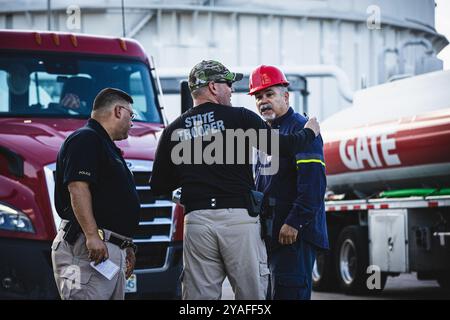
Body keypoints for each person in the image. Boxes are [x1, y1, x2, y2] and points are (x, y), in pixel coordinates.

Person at [150, 60, 321, 300]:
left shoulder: (173, 130)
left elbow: (158, 185)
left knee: (199, 300)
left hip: (196, 222)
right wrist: (310, 131)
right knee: (251, 296)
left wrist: (193, 175)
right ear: (212, 87)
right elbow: (282, 146)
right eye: (228, 84)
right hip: (238, 222)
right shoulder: (240, 117)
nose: (231, 90)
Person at [51, 87, 139, 300]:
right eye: (131, 114)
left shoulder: (104, 145)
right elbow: (77, 187)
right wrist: (92, 235)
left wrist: (125, 246)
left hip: (106, 250)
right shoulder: (86, 139)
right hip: (87, 249)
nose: (132, 122)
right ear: (118, 111)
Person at [250, 65, 329, 300]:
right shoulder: (266, 133)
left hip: (294, 236)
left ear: (285, 96)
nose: (263, 101)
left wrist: (294, 222)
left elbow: (314, 184)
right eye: (258, 96)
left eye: (269, 94)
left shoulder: (301, 129)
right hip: (272, 235)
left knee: (289, 294)